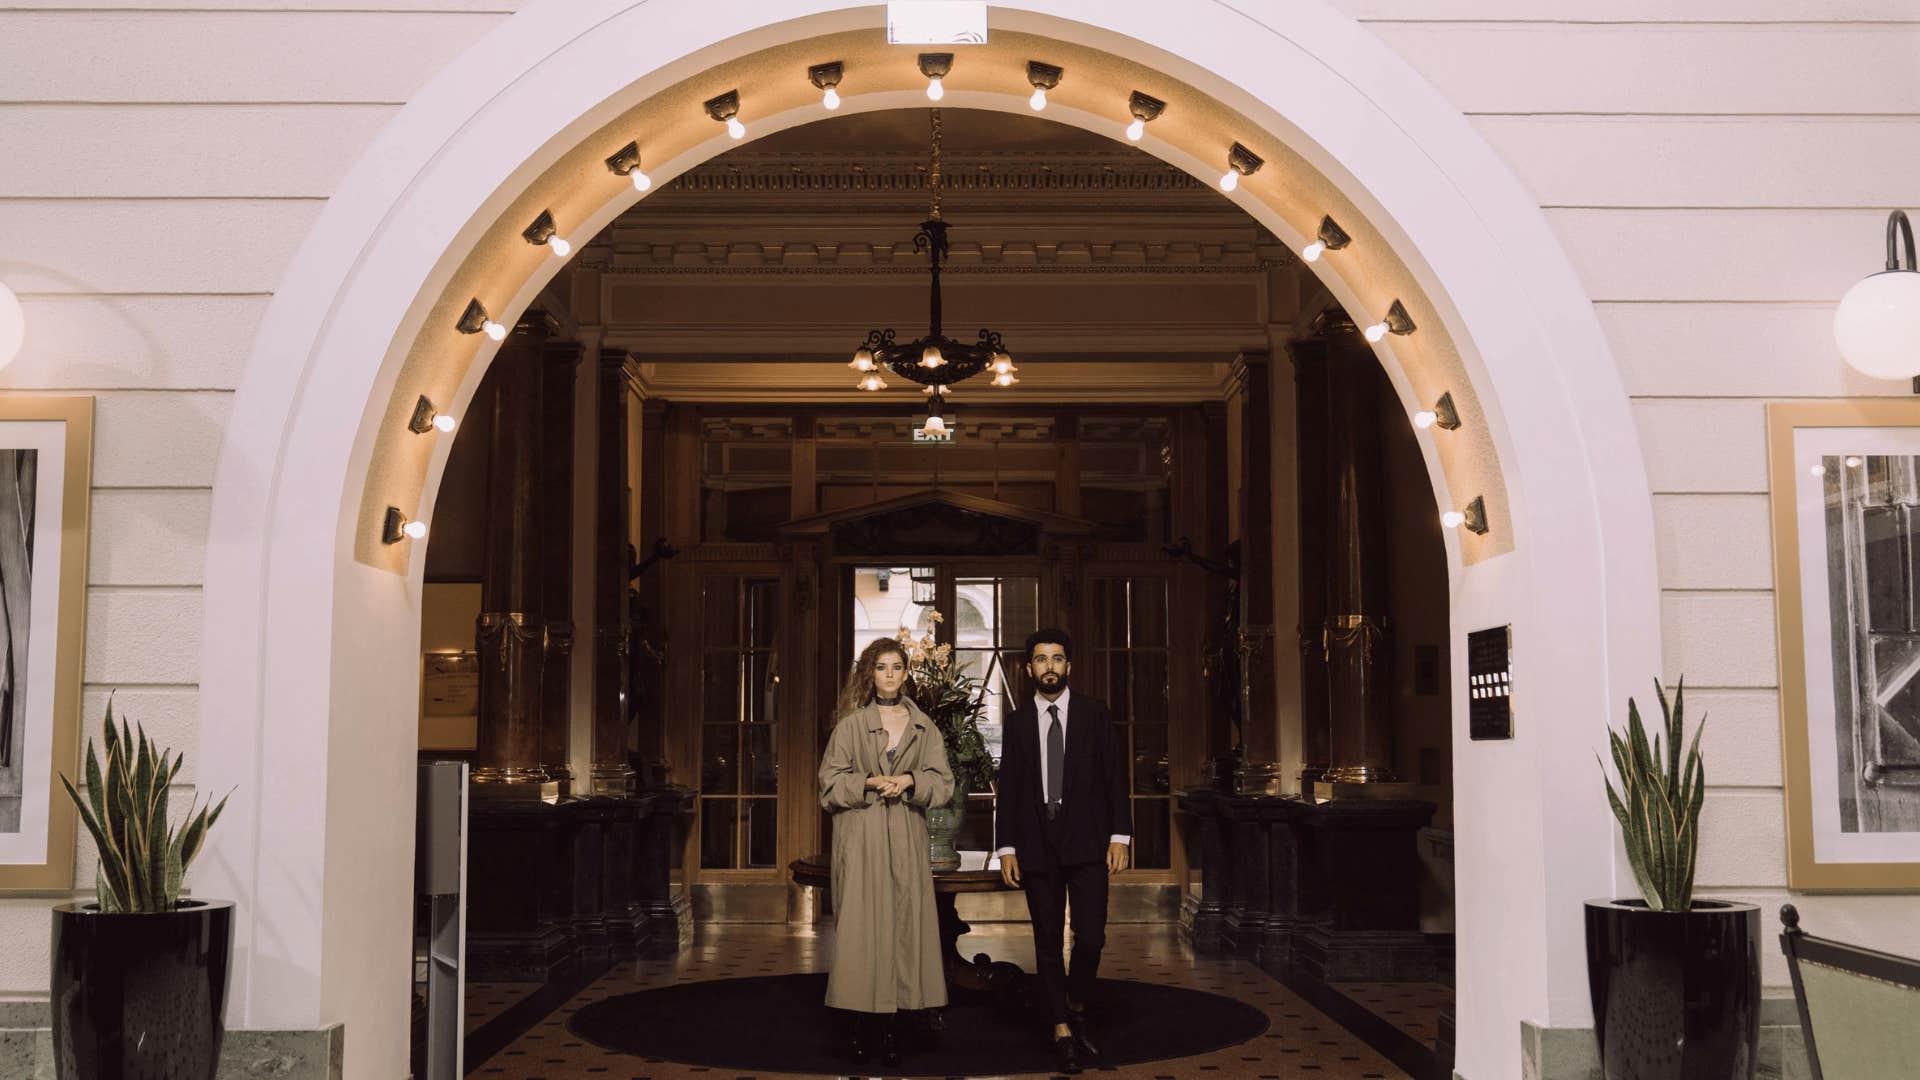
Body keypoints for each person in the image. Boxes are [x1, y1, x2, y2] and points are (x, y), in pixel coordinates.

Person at [994, 627, 1132, 1074]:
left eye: (1057, 658)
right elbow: (1009, 789)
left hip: (1090, 841)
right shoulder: (1015, 723)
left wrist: (1120, 837)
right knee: (1047, 941)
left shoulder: (1094, 714)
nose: (1049, 666)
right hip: (1036, 844)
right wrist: (1007, 846)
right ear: (1028, 667)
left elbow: (1115, 777)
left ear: (1068, 667)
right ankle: (1061, 1027)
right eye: (1040, 659)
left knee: (1091, 936)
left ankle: (1074, 1002)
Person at [817, 637, 954, 1069]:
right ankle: (861, 1025)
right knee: (862, 929)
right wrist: (869, 783)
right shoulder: (850, 727)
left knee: (905, 926)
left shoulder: (923, 726)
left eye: (897, 666)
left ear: (906, 673)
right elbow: (828, 785)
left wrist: (911, 780)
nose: (890, 675)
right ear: (869, 673)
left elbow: (943, 783)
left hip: (907, 838)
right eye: (882, 667)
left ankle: (895, 1026)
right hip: (861, 837)